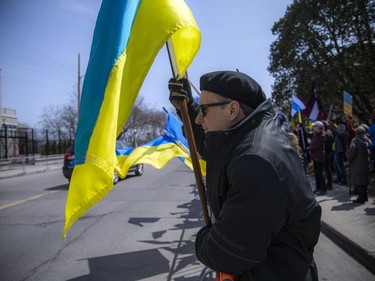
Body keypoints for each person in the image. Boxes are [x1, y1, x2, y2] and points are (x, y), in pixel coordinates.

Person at [168, 71, 321, 281]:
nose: (198, 118)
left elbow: (227, 253)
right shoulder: (245, 134)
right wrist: (187, 106)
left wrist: (205, 237)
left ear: (232, 109)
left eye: (203, 109)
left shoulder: (256, 160)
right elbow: (211, 147)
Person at [347, 126, 371, 203]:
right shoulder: (367, 139)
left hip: (357, 161)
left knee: (359, 179)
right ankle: (365, 196)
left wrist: (349, 158)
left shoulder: (355, 140)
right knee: (364, 178)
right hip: (365, 161)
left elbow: (352, 149)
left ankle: (361, 198)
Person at [309, 121, 327, 195]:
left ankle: (323, 189)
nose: (313, 128)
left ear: (318, 127)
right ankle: (318, 187)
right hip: (315, 156)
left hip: (319, 156)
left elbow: (318, 146)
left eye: (315, 126)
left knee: (320, 173)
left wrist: (310, 148)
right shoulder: (315, 135)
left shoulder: (322, 136)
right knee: (316, 173)